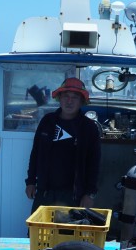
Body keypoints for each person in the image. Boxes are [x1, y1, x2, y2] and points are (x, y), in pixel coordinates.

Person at [24, 77, 102, 211]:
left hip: (73, 196)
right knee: (37, 231)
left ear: (82, 101)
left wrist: (90, 194)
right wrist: (31, 181)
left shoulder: (89, 128)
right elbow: (35, 153)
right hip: (44, 192)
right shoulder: (47, 121)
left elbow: (94, 164)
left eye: (75, 97)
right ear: (59, 98)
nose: (69, 101)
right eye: (65, 96)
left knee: (67, 232)